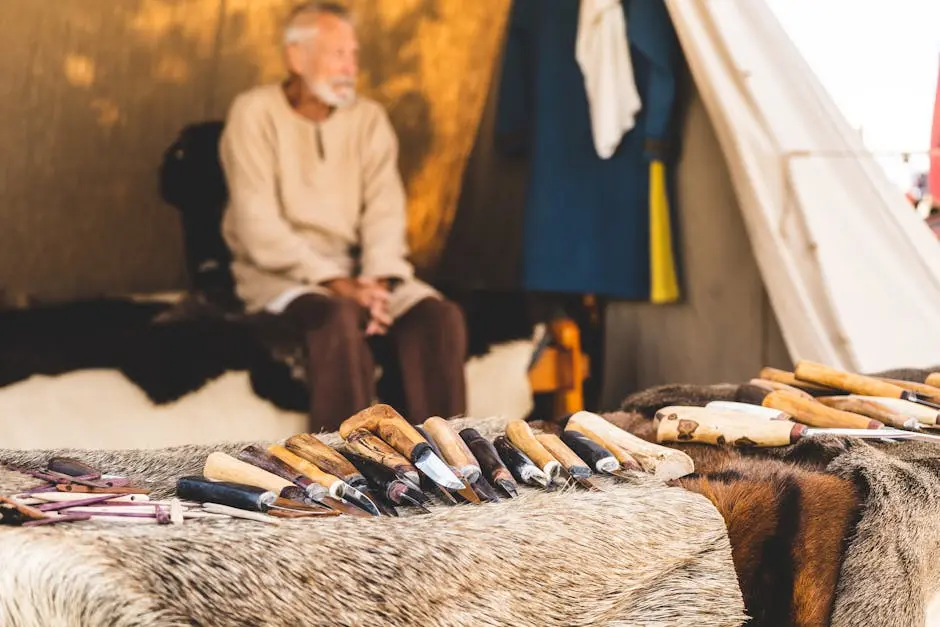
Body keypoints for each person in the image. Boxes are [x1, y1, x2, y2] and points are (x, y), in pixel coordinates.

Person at [218, 2, 467, 431]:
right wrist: (338, 286)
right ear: (296, 57)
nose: (350, 66)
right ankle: (350, 463)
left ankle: (447, 460)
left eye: (353, 55)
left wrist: (378, 282)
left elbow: (385, 211)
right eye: (337, 54)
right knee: (336, 316)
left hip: (361, 272)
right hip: (283, 275)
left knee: (438, 316)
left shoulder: (368, 119)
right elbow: (258, 227)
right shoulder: (253, 114)